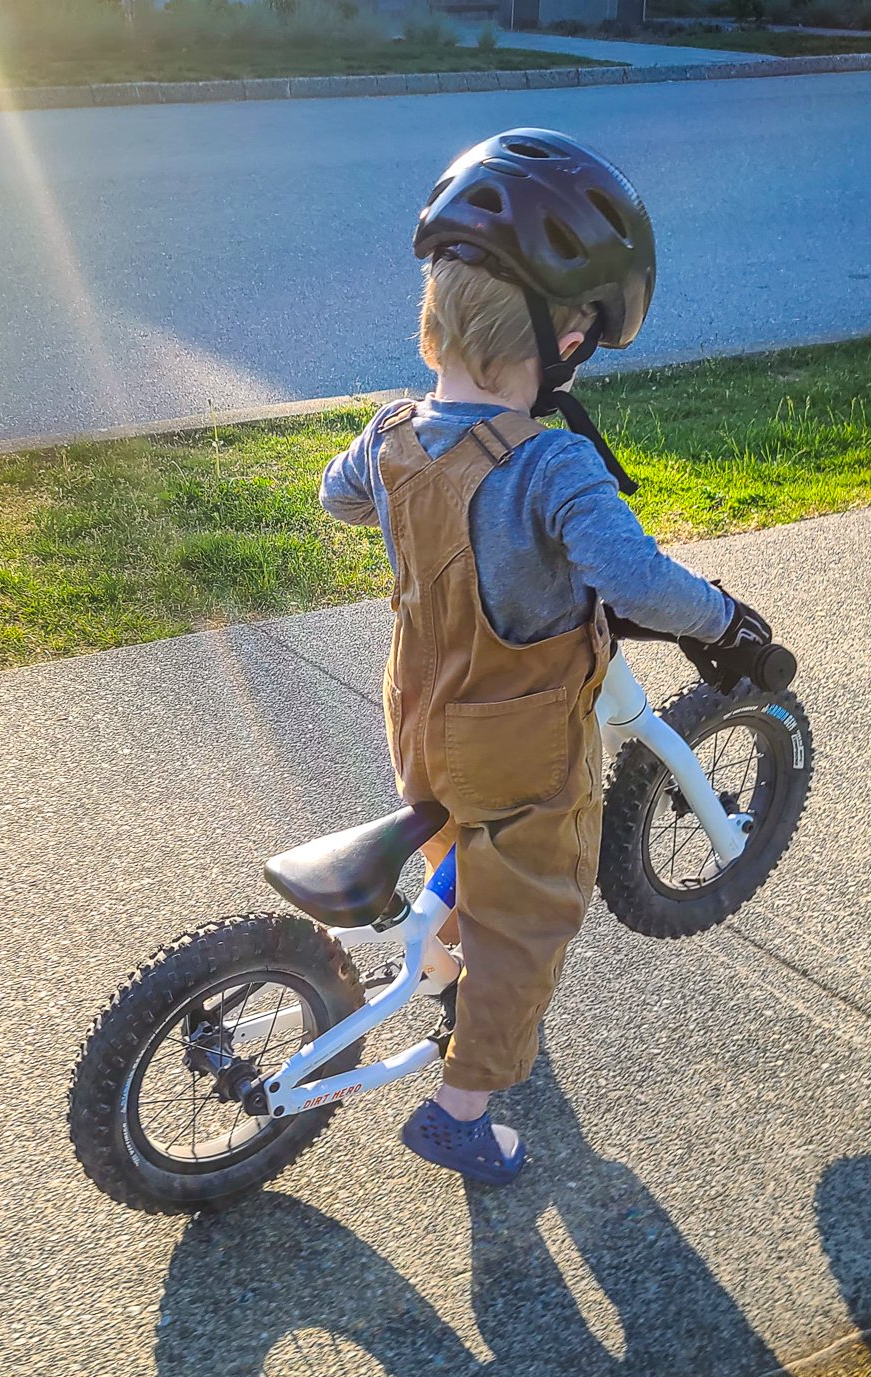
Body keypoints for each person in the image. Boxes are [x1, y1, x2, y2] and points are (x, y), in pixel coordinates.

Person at [319, 128, 776, 1185]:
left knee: (448, 838)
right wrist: (722, 620)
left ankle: (439, 966)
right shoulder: (554, 465)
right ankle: (460, 1110)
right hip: (518, 734)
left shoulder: (390, 431)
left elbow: (337, 499)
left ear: (435, 313)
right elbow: (634, 581)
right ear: (567, 335)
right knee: (531, 914)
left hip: (418, 707)